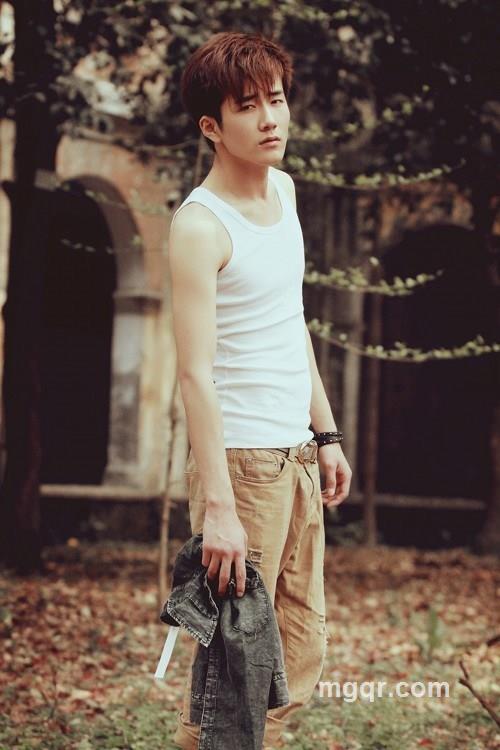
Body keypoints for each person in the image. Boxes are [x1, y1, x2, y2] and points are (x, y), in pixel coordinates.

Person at [168, 30, 352, 750]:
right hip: (241, 466)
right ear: (212, 126)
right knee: (237, 677)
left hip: (295, 456)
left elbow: (287, 321)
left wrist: (325, 432)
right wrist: (219, 508)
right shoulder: (199, 227)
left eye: (275, 99)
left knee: (298, 655)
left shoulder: (284, 190)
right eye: (247, 106)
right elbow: (194, 373)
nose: (270, 118)